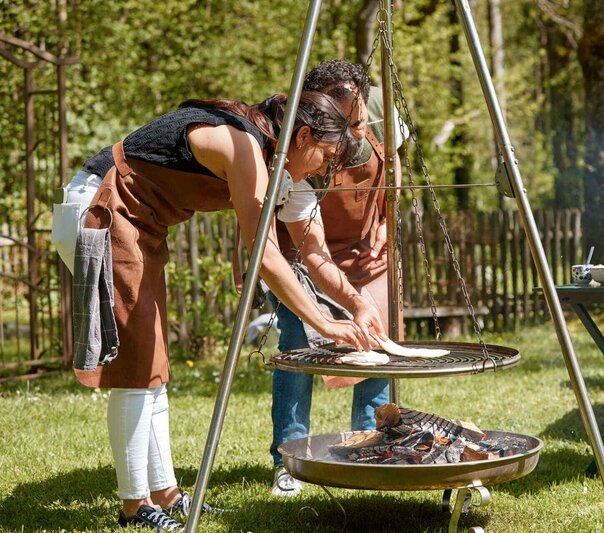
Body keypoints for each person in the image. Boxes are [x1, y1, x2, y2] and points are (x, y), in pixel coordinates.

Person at [53, 91, 380, 531]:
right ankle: (135, 507)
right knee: (134, 370)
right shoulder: (243, 147)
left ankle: (166, 495)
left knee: (153, 368)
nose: (324, 169)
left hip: (138, 224)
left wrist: (353, 304)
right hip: (101, 209)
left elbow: (310, 252)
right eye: (325, 156)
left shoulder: (272, 162)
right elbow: (264, 253)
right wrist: (322, 321)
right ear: (303, 136)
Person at [268, 59, 408, 497]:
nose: (356, 134)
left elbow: (395, 172)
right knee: (298, 344)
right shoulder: (299, 133)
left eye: (360, 121)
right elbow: (306, 246)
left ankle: (367, 448)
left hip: (366, 253)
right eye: (344, 126)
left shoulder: (383, 110)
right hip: (302, 254)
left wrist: (386, 222)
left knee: (377, 342)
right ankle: (289, 458)